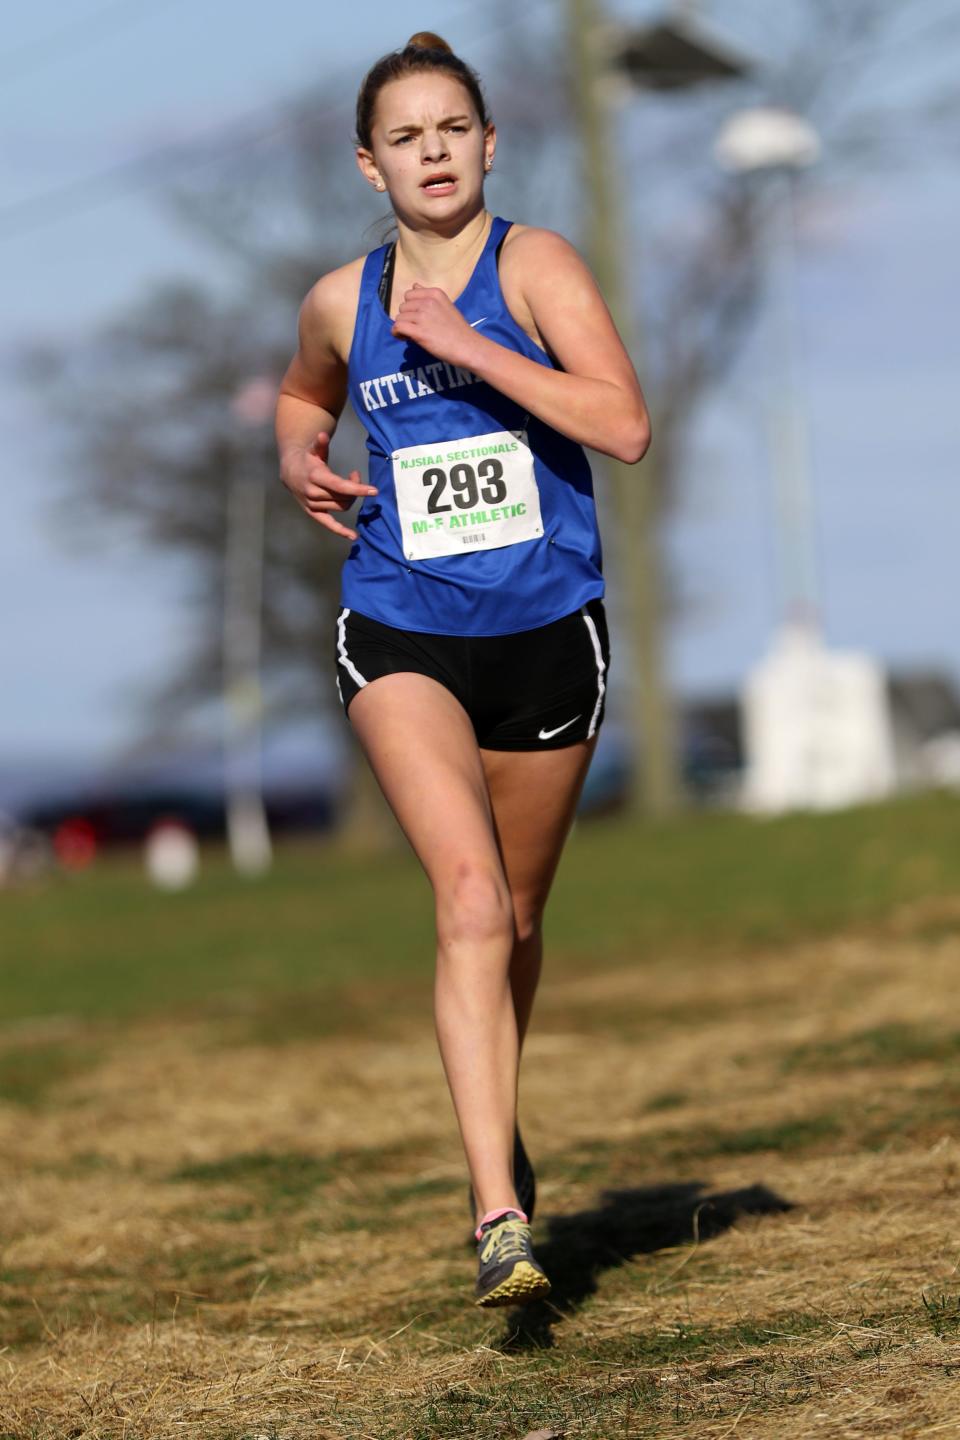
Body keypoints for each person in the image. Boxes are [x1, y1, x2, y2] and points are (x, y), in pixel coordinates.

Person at [275, 31, 650, 1308]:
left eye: (451, 130)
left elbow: (624, 424)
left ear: (488, 147)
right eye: (404, 137)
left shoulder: (535, 264)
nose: (430, 152)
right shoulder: (341, 296)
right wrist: (299, 454)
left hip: (548, 632)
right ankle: (500, 1213)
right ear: (368, 165)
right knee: (471, 903)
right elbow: (300, 392)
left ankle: (500, 1130)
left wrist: (474, 346)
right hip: (401, 626)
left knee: (520, 918)